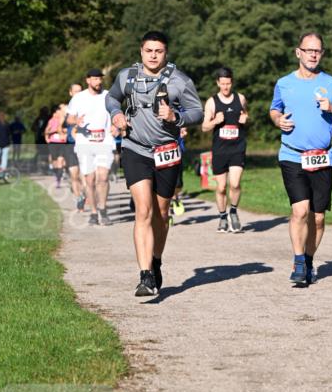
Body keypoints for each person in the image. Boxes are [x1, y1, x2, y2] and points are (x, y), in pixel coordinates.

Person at [106, 31, 203, 296]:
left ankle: (156, 259)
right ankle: (145, 275)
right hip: (135, 149)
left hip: (167, 152)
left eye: (158, 51)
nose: (153, 55)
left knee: (161, 213)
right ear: (141, 51)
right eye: (149, 50)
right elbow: (112, 97)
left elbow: (197, 112)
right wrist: (116, 114)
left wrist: (176, 115)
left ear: (165, 53)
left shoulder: (180, 81)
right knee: (143, 211)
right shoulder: (126, 76)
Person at [269, 30, 332, 286]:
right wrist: (277, 120)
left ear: (322, 54)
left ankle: (309, 259)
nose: (313, 55)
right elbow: (274, 109)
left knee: (318, 217)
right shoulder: (284, 83)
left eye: (317, 51)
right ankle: (298, 261)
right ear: (298, 52)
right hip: (292, 155)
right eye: (309, 50)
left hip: (322, 157)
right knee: (300, 211)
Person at [201, 66, 249, 233]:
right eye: (222, 84)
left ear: (232, 82)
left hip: (237, 148)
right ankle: (222, 217)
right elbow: (204, 127)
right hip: (220, 150)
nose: (226, 87)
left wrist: (245, 119)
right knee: (221, 188)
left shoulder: (240, 98)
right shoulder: (212, 102)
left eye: (228, 84)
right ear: (217, 83)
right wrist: (215, 121)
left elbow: (245, 115)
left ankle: (233, 212)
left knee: (234, 184)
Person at [66, 70, 113, 227]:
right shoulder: (78, 98)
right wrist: (76, 121)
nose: (98, 81)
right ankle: (93, 212)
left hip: (104, 140)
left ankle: (103, 210)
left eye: (99, 78)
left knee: (103, 177)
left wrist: (116, 126)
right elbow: (70, 118)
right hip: (84, 142)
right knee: (90, 179)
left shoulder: (108, 95)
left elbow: (116, 114)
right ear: (88, 80)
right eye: (94, 79)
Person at [44, 104, 68, 188]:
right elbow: (46, 131)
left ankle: (58, 180)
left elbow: (68, 130)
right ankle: (56, 175)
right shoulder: (52, 121)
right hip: (53, 142)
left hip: (62, 142)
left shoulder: (65, 120)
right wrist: (48, 135)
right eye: (58, 111)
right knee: (55, 162)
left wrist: (63, 131)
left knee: (60, 161)